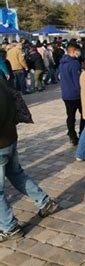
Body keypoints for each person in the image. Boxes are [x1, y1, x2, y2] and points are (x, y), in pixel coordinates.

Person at [0, 79, 59, 241]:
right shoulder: (1, 82)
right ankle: (44, 202)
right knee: (17, 174)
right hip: (10, 138)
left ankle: (9, 226)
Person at [59, 43, 85, 146]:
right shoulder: (74, 63)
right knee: (84, 115)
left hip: (66, 94)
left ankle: (72, 136)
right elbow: (77, 81)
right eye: (77, 51)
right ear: (74, 51)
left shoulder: (62, 63)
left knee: (70, 116)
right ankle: (83, 134)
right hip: (76, 94)